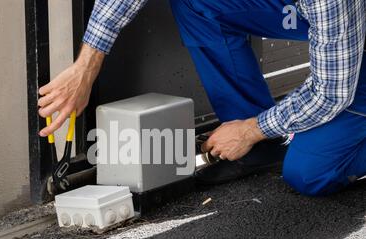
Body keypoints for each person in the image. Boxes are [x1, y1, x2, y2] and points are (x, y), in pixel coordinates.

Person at [38, 0, 366, 196]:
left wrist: (251, 129)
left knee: (308, 174)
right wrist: (86, 65)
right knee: (198, 3)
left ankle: (252, 136)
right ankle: (259, 150)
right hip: (323, 22)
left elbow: (330, 92)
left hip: (351, 43)